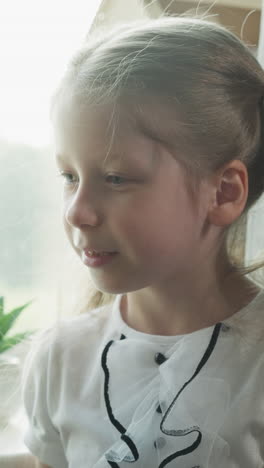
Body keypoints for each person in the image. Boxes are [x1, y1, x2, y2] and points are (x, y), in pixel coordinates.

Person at [20, 16, 264, 468]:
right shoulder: (59, 359)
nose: (76, 211)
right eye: (69, 177)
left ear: (224, 192)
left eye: (115, 178)